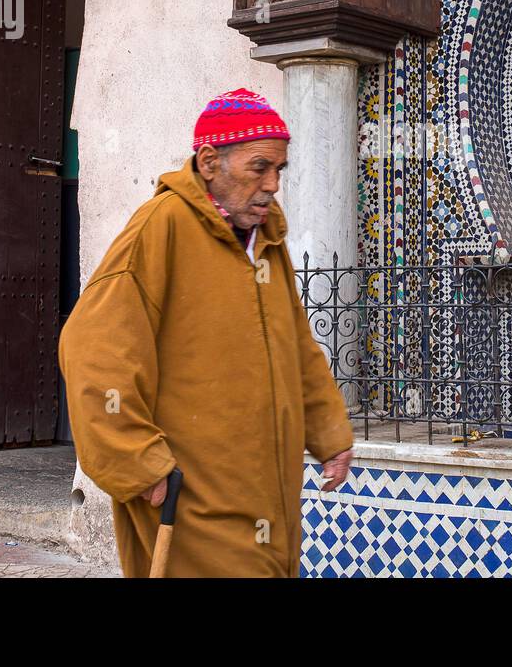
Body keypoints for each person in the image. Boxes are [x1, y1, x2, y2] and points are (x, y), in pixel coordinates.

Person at [59, 88, 354, 577]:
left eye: (280, 169)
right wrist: (139, 465)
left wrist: (329, 433)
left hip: (263, 496)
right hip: (190, 497)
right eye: (260, 167)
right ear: (210, 161)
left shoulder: (267, 241)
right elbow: (93, 352)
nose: (273, 184)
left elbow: (296, 347)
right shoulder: (161, 227)